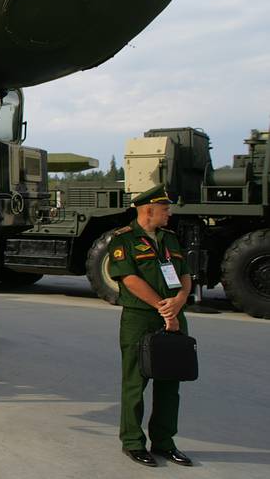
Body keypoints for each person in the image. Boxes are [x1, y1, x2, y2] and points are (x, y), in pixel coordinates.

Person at [107, 185, 193, 467]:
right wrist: (163, 307)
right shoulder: (123, 239)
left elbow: (185, 274)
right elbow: (129, 279)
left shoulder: (170, 239)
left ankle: (164, 442)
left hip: (174, 316)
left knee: (170, 382)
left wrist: (179, 301)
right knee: (135, 382)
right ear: (148, 210)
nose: (169, 214)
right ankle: (133, 442)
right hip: (140, 318)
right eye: (165, 209)